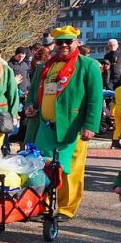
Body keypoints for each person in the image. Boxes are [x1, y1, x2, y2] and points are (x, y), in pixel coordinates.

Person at [23, 25, 103, 220]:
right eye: (60, 42)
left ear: (77, 42)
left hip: (72, 128)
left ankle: (67, 209)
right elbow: (33, 93)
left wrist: (90, 125)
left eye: (69, 41)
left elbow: (95, 98)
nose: (64, 45)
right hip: (45, 126)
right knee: (42, 167)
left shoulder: (88, 66)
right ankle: (43, 206)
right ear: (54, 44)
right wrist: (30, 106)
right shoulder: (45, 66)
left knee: (70, 171)